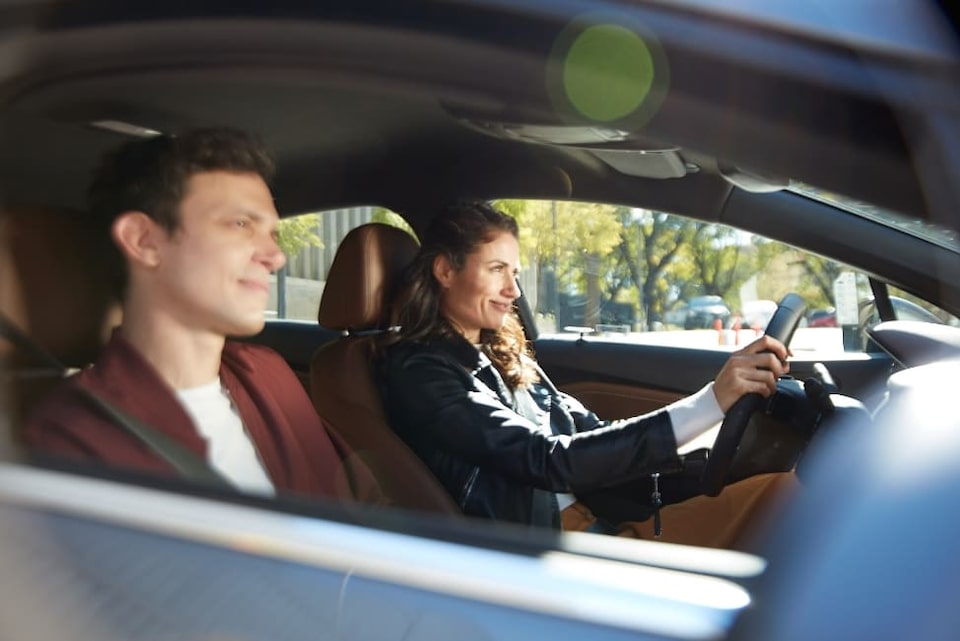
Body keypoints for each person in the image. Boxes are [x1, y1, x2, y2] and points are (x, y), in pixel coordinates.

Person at [377, 201, 797, 550]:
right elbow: (551, 459)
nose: (514, 290)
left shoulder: (498, 351)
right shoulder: (422, 374)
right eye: (496, 269)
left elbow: (590, 432)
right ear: (446, 272)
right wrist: (711, 401)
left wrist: (704, 431)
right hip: (557, 551)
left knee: (786, 493)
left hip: (602, 522)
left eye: (515, 273)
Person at [22, 128, 379, 503]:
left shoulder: (267, 373)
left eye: (272, 233)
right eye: (241, 224)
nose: (276, 256)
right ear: (145, 241)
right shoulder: (72, 440)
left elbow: (359, 505)